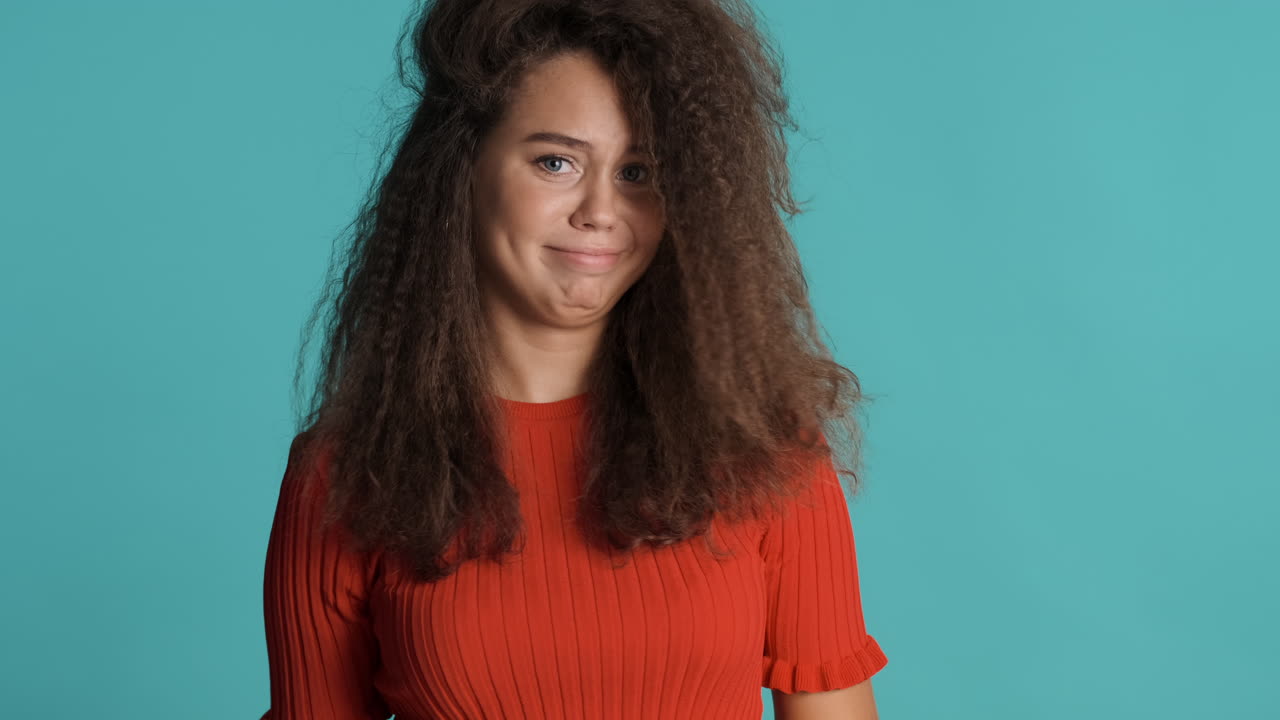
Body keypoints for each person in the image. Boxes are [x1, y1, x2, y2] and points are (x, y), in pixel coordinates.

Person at [260, 0, 889, 717]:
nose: (600, 210)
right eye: (556, 161)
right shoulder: (345, 476)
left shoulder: (767, 455)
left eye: (639, 171)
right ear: (461, 170)